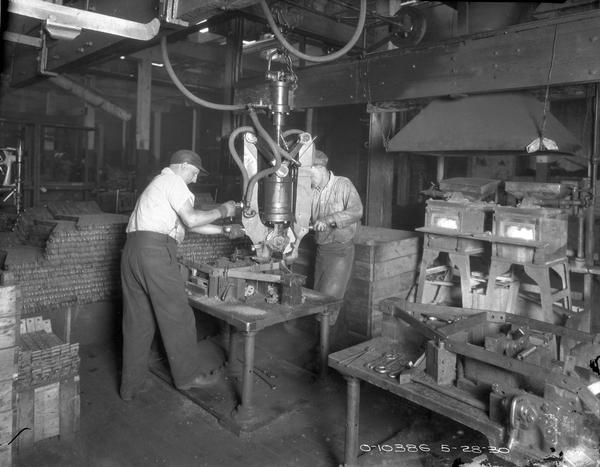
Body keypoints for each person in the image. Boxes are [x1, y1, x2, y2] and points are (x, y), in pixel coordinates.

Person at [120, 149, 244, 401]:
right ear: (184, 166)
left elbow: (194, 224)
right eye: (195, 173)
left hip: (133, 252)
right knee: (179, 316)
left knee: (139, 322)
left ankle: (129, 386)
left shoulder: (158, 184)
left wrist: (224, 230)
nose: (196, 179)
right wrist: (224, 210)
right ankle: (188, 378)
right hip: (155, 253)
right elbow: (192, 218)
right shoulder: (173, 181)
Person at [310, 149, 363, 349]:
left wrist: (330, 219)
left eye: (309, 173)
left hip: (340, 250)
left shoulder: (343, 184)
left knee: (329, 302)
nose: (307, 179)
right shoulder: (312, 191)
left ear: (320, 168)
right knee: (320, 300)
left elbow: (356, 211)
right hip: (322, 250)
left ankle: (324, 353)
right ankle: (331, 349)